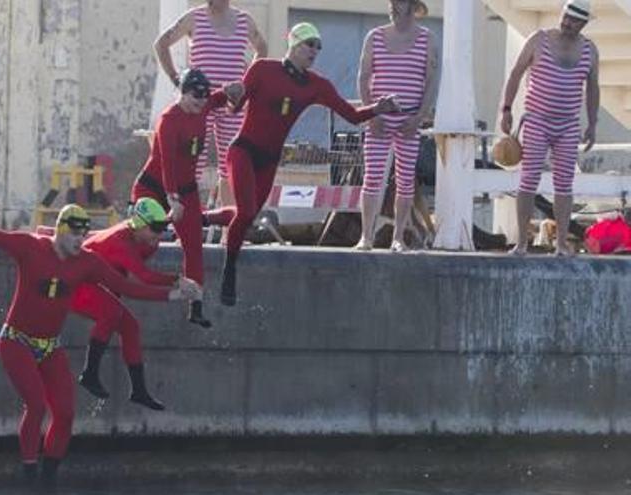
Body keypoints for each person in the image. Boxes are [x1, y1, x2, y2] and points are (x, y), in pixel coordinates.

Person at [0, 201, 200, 487]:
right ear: (59, 231)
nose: (81, 242)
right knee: (36, 405)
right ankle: (29, 473)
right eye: (75, 236)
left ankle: (48, 479)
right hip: (15, 341)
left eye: (84, 236)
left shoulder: (87, 261)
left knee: (66, 414)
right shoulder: (29, 246)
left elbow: (127, 287)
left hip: (50, 346)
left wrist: (174, 295)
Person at [219, 22, 399, 306]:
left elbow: (351, 115)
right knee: (246, 211)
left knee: (248, 215)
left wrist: (379, 108)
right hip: (243, 151)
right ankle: (228, 271)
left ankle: (205, 218)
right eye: (309, 44)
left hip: (269, 160)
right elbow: (234, 108)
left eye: (318, 46)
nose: (314, 50)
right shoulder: (263, 69)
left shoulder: (317, 85)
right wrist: (231, 94)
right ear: (293, 44)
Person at [37, 198, 179, 410]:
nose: (159, 234)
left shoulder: (134, 233)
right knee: (111, 312)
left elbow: (95, 237)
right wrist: (177, 282)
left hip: (89, 281)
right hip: (73, 282)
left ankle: (138, 391)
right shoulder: (123, 243)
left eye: (163, 228)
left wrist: (47, 232)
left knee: (131, 327)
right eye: (156, 228)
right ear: (140, 224)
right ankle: (90, 373)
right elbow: (145, 277)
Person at [131, 68, 240, 327]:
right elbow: (168, 163)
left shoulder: (202, 106)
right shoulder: (169, 120)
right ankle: (114, 278)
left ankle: (196, 305)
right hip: (155, 189)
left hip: (187, 190)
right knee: (144, 241)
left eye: (203, 97)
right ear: (181, 93)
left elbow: (218, 98)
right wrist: (172, 199)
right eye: (194, 97)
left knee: (193, 248)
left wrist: (233, 89)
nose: (200, 102)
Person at [499, 0, 599, 256]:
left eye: (573, 20)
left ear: (584, 23)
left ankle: (561, 243)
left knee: (564, 184)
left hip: (568, 124)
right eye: (565, 17)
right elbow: (516, 73)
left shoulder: (589, 50)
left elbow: (593, 88)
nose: (566, 23)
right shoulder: (539, 39)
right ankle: (522, 242)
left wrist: (593, 123)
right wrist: (506, 109)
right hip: (536, 120)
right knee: (528, 178)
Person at [154, 0, 267, 208]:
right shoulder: (194, 17)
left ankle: (229, 228)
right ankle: (186, 219)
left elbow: (262, 48)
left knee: (231, 164)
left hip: (231, 102)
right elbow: (161, 44)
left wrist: (246, 85)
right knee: (192, 162)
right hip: (199, 103)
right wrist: (177, 81)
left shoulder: (244, 21)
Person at [356, 0, 439, 252]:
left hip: (409, 120)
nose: (394, 5)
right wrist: (370, 112)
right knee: (372, 177)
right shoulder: (374, 36)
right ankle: (366, 236)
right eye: (392, 1)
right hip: (380, 118)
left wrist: (419, 117)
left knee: (405, 181)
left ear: (413, 6)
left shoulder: (427, 39)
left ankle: (398, 236)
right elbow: (363, 76)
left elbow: (432, 80)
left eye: (400, 1)